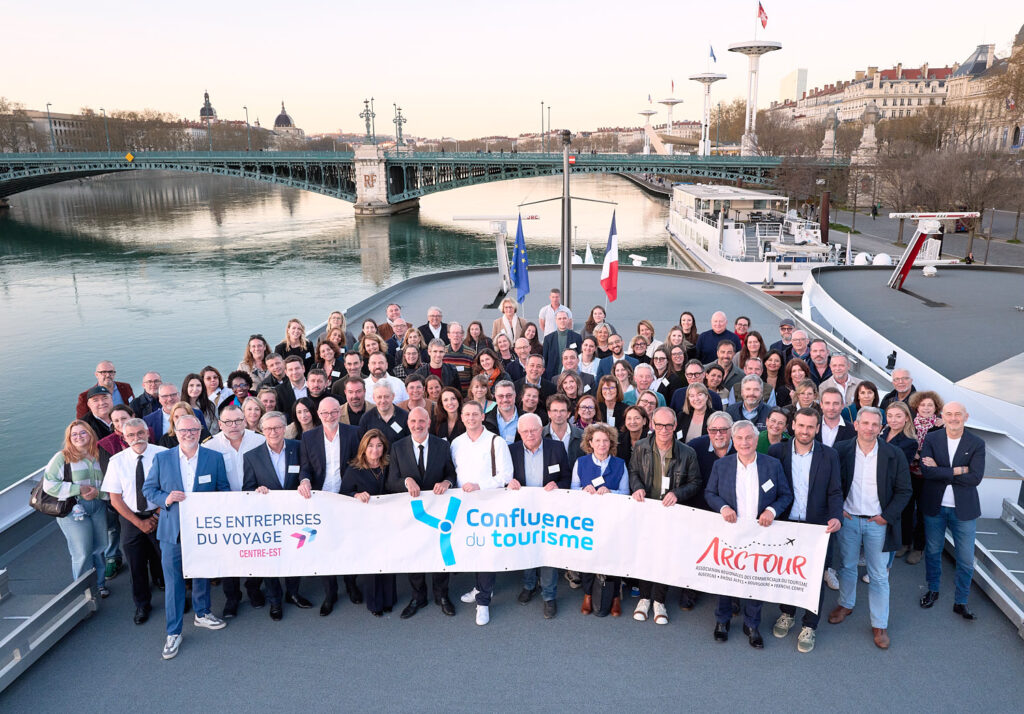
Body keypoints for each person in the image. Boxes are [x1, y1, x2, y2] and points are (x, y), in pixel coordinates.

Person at [142, 414, 230, 660]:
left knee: (201, 573)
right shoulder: (162, 459)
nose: (188, 434)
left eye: (193, 430)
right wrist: (166, 499)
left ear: (200, 431)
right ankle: (174, 631)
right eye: (183, 430)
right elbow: (149, 489)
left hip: (203, 530)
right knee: (174, 583)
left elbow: (223, 489)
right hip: (173, 531)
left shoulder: (214, 458)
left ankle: (202, 614)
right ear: (175, 432)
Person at [829, 407, 912, 650]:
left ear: (881, 427)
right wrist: (838, 509)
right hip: (849, 520)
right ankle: (846, 604)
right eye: (865, 423)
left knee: (878, 575)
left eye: (875, 424)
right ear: (856, 424)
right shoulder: (841, 450)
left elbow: (904, 490)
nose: (869, 428)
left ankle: (879, 624)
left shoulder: (893, 454)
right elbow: (831, 484)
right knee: (847, 566)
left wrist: (887, 517)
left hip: (879, 523)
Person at [705, 420, 793, 649]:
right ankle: (722, 620)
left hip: (761, 533)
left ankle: (752, 624)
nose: (744, 442)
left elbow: (785, 494)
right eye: (740, 438)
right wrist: (723, 507)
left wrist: (771, 510)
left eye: (749, 438)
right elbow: (710, 493)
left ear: (756, 439)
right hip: (730, 533)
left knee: (756, 578)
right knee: (726, 578)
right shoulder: (722, 465)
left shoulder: (771, 465)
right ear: (733, 441)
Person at [768, 408, 843, 653]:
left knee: (813, 578)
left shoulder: (829, 455)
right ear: (793, 426)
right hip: (786, 524)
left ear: (817, 428)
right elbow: (771, 489)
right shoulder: (777, 452)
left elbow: (834, 491)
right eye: (801, 426)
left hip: (816, 527)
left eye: (810, 427)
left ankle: (809, 625)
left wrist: (835, 516)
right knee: (787, 574)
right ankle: (786, 613)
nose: (805, 431)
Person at [628, 407, 701, 625]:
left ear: (675, 426)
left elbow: (696, 482)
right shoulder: (640, 447)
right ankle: (643, 598)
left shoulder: (688, 453)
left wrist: (677, 494)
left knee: (666, 555)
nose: (664, 429)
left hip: (671, 513)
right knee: (645, 552)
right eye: (659, 425)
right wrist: (637, 487)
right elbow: (633, 471)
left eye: (669, 425)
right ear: (652, 425)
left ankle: (659, 600)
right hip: (647, 511)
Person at [388, 407, 458, 619]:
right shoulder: (398, 447)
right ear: (408, 423)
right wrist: (406, 481)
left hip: (438, 512)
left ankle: (442, 595)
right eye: (413, 421)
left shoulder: (442, 445)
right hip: (412, 513)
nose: (417, 425)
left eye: (421, 421)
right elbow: (391, 481)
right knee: (414, 553)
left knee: (439, 552)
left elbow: (451, 472)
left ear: (429, 422)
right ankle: (418, 596)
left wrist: (447, 482)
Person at [919, 401, 985, 620]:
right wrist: (957, 471)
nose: (954, 418)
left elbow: (975, 478)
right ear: (943, 416)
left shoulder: (976, 443)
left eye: (958, 414)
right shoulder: (932, 438)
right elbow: (927, 472)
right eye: (949, 414)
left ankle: (961, 601)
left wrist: (941, 469)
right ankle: (933, 589)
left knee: (965, 559)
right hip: (935, 506)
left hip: (964, 509)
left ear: (966, 416)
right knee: (933, 551)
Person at [297, 397, 362, 613]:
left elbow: (359, 464)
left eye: (334, 412)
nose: (330, 417)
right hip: (321, 500)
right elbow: (305, 467)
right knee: (325, 546)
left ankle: (351, 585)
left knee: (349, 543)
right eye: (325, 413)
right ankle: (330, 593)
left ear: (339, 412)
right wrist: (304, 480)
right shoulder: (308, 437)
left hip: (347, 498)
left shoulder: (353, 432)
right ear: (319, 415)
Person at [452, 401, 514, 625]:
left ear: (482, 416)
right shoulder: (456, 443)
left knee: (487, 551)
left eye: (475, 414)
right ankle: (479, 587)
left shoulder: (496, 442)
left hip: (489, 505)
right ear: (461, 417)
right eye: (467, 414)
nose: (471, 418)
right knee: (474, 548)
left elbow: (506, 475)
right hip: (464, 507)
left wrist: (480, 485)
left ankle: (483, 602)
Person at [241, 411, 306, 621]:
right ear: (262, 430)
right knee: (271, 559)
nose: (274, 432)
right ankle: (275, 600)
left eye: (278, 427)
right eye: (268, 428)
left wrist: (305, 481)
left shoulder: (298, 448)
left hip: (295, 516)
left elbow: (306, 472)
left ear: (285, 428)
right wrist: (256, 492)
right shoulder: (251, 456)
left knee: (295, 556)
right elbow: (247, 489)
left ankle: (293, 593)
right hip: (268, 518)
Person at [204, 403, 268, 617]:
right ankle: (232, 596)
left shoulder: (259, 440)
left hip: (255, 507)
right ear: (220, 424)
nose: (234, 426)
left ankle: (254, 588)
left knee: (256, 551)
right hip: (226, 510)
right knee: (229, 554)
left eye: (238, 421)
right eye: (228, 422)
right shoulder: (210, 447)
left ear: (245, 420)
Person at [508, 413, 571, 618]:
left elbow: (567, 477)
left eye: (534, 430)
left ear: (541, 430)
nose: (530, 434)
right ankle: (528, 585)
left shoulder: (556, 448)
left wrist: (558, 484)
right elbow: (504, 477)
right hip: (524, 511)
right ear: (519, 432)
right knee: (526, 547)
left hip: (549, 512)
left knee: (547, 552)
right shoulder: (512, 451)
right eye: (525, 431)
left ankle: (549, 595)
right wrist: (509, 483)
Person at [103, 418, 166, 624]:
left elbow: (170, 488)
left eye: (140, 433)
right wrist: (139, 523)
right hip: (131, 519)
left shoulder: (163, 455)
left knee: (168, 561)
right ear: (124, 437)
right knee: (136, 566)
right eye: (131, 435)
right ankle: (142, 605)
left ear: (147, 432)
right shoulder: (117, 461)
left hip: (161, 514)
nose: (136, 438)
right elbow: (115, 499)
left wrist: (156, 515)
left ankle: (178, 599)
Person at [45, 421, 110, 597]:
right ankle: (84, 591)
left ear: (90, 434)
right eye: (74, 434)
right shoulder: (62, 458)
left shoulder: (99, 455)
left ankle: (100, 584)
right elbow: (49, 485)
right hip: (73, 510)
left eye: (83, 433)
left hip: (98, 506)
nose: (79, 437)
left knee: (100, 547)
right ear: (69, 438)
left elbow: (112, 484)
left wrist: (99, 493)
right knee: (82, 551)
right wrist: (78, 489)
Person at [573, 423, 629, 617]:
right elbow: (571, 489)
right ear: (590, 442)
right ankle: (588, 594)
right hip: (588, 520)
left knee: (612, 556)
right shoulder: (581, 462)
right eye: (597, 440)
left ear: (611, 443)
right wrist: (582, 490)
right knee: (589, 556)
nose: (602, 444)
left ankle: (614, 597)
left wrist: (611, 492)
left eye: (606, 440)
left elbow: (626, 492)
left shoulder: (620, 464)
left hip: (612, 520)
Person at [340, 430, 398, 617]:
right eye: (371, 446)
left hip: (389, 521)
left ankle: (389, 600)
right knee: (372, 563)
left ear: (384, 447)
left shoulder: (390, 466)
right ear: (364, 448)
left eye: (379, 445)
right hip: (365, 524)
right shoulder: (354, 469)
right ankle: (375, 604)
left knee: (389, 560)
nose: (375, 450)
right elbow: (343, 494)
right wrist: (355, 495)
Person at [883, 402, 921, 559]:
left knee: (892, 522)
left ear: (906, 418)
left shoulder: (910, 441)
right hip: (878, 483)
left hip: (893, 485)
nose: (893, 420)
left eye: (898, 416)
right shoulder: (882, 432)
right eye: (890, 416)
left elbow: (898, 466)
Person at [541, 308, 582, 380]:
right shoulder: (548, 339)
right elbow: (544, 360)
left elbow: (580, 357)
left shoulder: (577, 337)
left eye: (564, 318)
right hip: (552, 376)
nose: (562, 321)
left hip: (572, 376)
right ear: (556, 321)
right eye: (559, 319)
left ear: (568, 320)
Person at [544, 394, 583, 462]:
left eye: (562, 411)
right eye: (555, 411)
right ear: (549, 413)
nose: (558, 415)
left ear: (568, 414)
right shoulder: (540, 435)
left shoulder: (582, 435)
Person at [443, 322, 476, 394]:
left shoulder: (471, 353)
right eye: (453, 333)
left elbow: (475, 377)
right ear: (448, 335)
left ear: (462, 335)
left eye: (458, 333)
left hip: (466, 396)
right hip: (447, 395)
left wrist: (469, 396)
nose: (455, 335)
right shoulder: (442, 352)